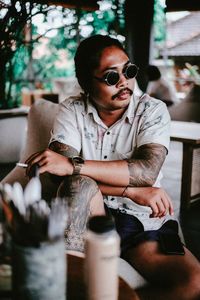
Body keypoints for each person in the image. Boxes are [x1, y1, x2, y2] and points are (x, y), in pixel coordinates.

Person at [26, 35, 200, 299]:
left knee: (194, 282)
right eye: (110, 76)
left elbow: (145, 172)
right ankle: (71, 273)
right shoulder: (72, 110)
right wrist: (131, 190)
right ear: (87, 84)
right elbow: (54, 176)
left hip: (140, 219)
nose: (124, 82)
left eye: (128, 71)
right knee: (78, 186)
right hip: (87, 213)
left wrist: (72, 165)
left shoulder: (152, 111)